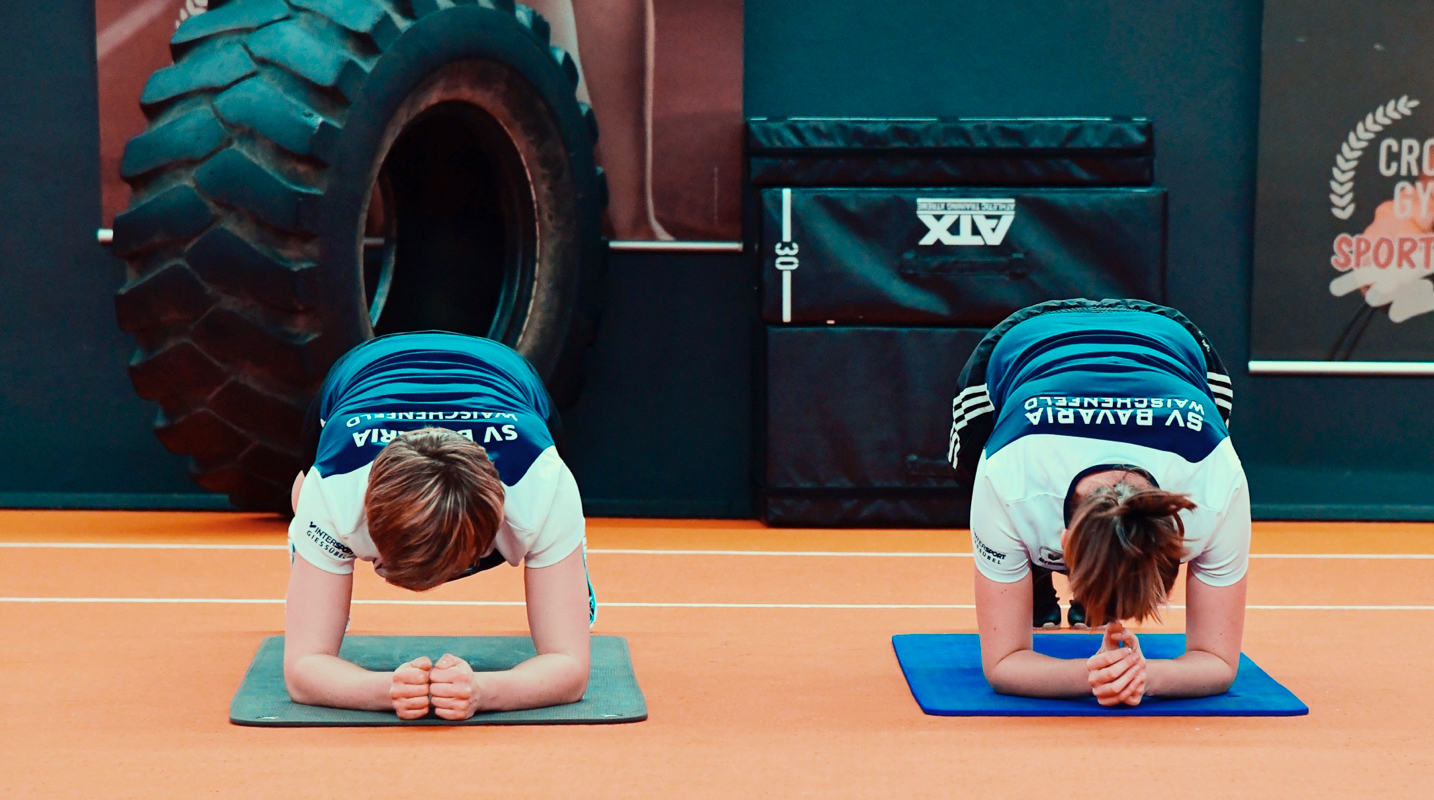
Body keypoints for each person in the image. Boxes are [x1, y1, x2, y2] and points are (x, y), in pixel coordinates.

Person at [948, 299, 1249, 707]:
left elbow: (1218, 661)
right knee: (969, 469)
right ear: (1064, 544)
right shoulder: (1008, 476)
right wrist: (1095, 676)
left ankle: (1085, 589)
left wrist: (1141, 676)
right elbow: (1002, 664)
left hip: (1172, 351)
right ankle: (1030, 579)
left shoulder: (1216, 481)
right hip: (1028, 341)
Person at [284, 332, 593, 720]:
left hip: (505, 375)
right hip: (364, 372)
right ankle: (319, 577)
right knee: (300, 500)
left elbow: (570, 667)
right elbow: (302, 669)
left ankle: (567, 569)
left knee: (557, 552)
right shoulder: (332, 490)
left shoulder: (543, 485)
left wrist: (484, 691)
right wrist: (384, 690)